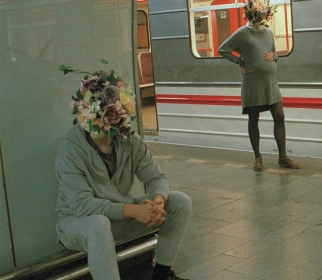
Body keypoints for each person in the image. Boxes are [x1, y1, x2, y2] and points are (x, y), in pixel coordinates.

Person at [55, 71, 192, 280]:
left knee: (181, 202)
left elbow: (156, 177)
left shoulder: (128, 139)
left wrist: (157, 201)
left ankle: (162, 275)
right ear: (88, 114)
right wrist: (133, 210)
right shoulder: (70, 149)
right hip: (77, 223)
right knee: (98, 224)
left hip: (119, 217)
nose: (111, 120)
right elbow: (82, 205)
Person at [217, 0, 300, 171]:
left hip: (270, 83)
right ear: (252, 13)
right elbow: (222, 49)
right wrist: (240, 61)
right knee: (253, 119)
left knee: (279, 116)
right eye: (259, 12)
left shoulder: (268, 33)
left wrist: (274, 56)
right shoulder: (242, 33)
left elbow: (274, 52)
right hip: (252, 83)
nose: (261, 15)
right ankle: (258, 158)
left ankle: (283, 157)